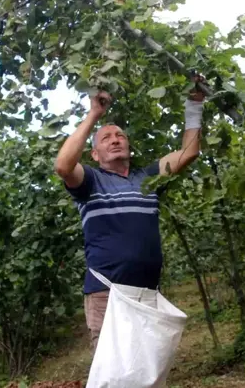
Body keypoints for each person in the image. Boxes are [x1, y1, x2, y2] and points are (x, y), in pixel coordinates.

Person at [54, 75, 206, 349]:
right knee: (113, 374)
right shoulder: (89, 182)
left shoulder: (147, 179)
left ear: (129, 148)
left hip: (147, 295)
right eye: (106, 138)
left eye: (120, 136)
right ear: (95, 154)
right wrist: (94, 114)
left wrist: (194, 105)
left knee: (144, 371)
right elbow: (64, 165)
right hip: (107, 295)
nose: (115, 140)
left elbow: (188, 152)